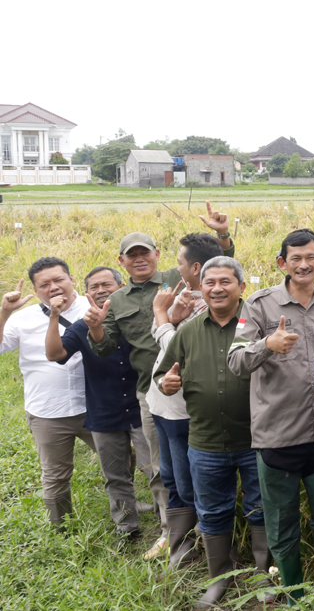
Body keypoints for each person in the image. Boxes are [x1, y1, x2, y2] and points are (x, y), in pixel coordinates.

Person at [86, 203, 235, 556]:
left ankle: (209, 532)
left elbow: (216, 265)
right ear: (121, 261)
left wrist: (222, 235)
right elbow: (105, 347)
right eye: (131, 255)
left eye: (145, 253)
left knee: (199, 463)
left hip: (194, 391)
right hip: (150, 392)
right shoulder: (117, 298)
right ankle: (172, 532)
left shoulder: (175, 278)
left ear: (157, 254)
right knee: (160, 465)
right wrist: (94, 329)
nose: (139, 259)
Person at [228, 229, 314, 603]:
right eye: (294, 258)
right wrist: (267, 344)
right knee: (282, 526)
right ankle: (294, 594)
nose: (303, 264)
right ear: (282, 262)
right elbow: (234, 360)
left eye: (311, 257)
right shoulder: (258, 305)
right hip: (278, 435)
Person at [154, 256, 268, 610]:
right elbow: (162, 374)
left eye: (226, 281)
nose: (217, 288)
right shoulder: (188, 330)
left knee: (262, 508)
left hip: (257, 439)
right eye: (210, 282)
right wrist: (168, 383)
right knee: (213, 512)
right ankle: (219, 579)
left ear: (241, 287)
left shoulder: (258, 325)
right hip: (204, 442)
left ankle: (266, 577)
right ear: (200, 287)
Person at [44, 265, 144, 541]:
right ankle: (127, 528)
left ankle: (168, 528)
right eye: (94, 287)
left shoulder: (137, 319)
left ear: (121, 287)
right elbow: (55, 354)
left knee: (157, 471)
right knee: (116, 476)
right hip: (104, 411)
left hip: (142, 409)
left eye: (106, 285)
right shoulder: (81, 326)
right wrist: (55, 315)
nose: (101, 291)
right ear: (86, 293)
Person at [148, 232, 227, 572]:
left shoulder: (210, 307)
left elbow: (177, 351)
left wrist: (162, 315)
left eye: (179, 262)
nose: (175, 268)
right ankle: (178, 544)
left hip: (182, 410)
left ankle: (194, 548)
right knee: (170, 476)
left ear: (195, 267)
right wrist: (169, 319)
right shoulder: (184, 297)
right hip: (163, 406)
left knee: (186, 482)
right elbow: (160, 338)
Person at [0, 258, 95, 527]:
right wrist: (5, 312)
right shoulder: (23, 318)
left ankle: (126, 507)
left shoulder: (93, 307)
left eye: (58, 280)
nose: (53, 287)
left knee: (121, 459)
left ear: (72, 278)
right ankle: (61, 526)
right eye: (44, 284)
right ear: (36, 289)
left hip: (95, 405)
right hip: (47, 411)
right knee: (55, 475)